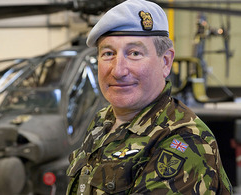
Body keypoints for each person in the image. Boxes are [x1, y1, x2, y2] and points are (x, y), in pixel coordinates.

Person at [66, 0, 232, 194]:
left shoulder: (184, 141)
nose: (118, 70)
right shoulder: (103, 119)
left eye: (135, 53)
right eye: (108, 53)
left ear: (166, 62)